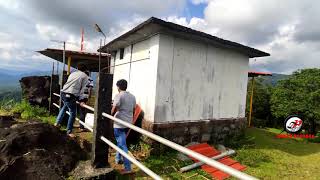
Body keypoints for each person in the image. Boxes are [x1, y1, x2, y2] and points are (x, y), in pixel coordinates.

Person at [55, 64, 89, 138]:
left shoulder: (73, 73)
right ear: (86, 70)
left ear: (77, 68)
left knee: (64, 108)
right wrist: (82, 100)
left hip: (63, 93)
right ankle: (69, 131)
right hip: (70, 95)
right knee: (73, 113)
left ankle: (57, 123)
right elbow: (83, 89)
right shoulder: (85, 76)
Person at [111, 79, 136, 174]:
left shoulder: (119, 95)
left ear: (118, 87)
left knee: (122, 144)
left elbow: (114, 108)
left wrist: (108, 117)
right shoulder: (132, 96)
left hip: (119, 123)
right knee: (120, 141)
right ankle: (118, 158)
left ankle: (128, 167)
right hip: (128, 122)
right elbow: (133, 109)